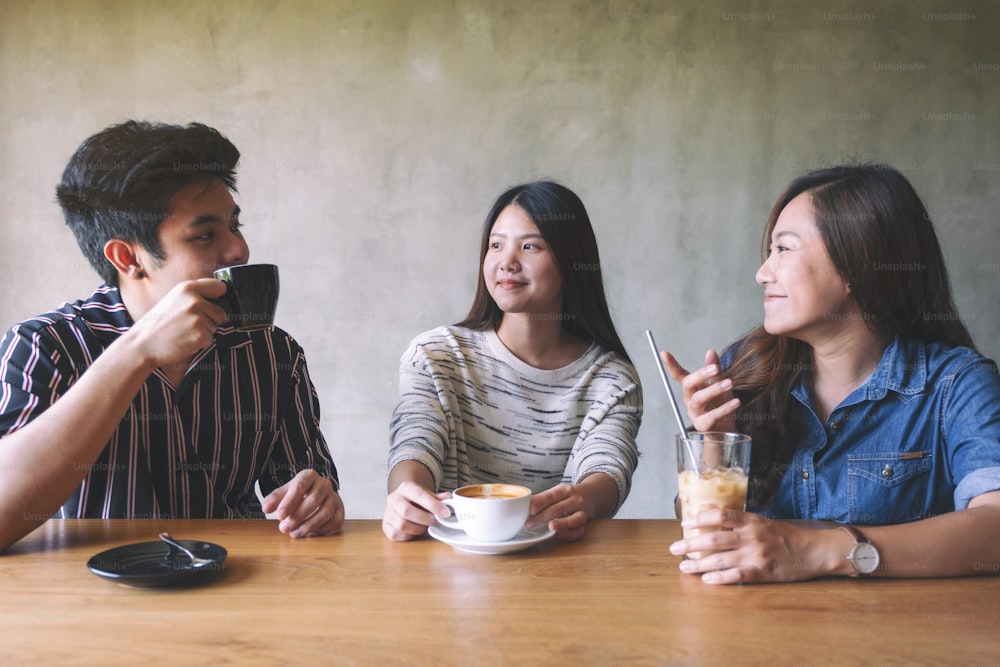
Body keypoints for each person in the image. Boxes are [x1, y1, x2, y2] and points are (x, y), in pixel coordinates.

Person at [0, 121, 343, 550]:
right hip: (92, 600)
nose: (239, 250)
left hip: (237, 585)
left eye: (234, 226)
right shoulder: (45, 347)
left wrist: (318, 501)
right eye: (204, 235)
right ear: (128, 257)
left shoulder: (270, 351)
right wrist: (137, 351)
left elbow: (309, 491)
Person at [661, 164, 1000, 583]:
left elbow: (994, 527)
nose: (763, 273)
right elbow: (701, 530)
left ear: (857, 265)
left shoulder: (957, 385)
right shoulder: (744, 371)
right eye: (769, 252)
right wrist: (717, 447)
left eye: (784, 249)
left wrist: (823, 550)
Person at [382, 181, 642, 542]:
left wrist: (582, 500)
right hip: (446, 569)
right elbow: (415, 440)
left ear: (571, 259)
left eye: (530, 246)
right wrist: (406, 496)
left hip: (561, 569)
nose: (507, 262)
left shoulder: (611, 378)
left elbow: (608, 465)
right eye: (496, 245)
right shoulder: (434, 355)